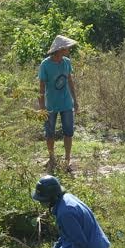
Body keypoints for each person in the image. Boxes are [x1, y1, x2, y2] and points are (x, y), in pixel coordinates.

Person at [38, 35, 79, 172]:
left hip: (66, 103)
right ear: (60, 49)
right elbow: (42, 87)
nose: (68, 50)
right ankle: (52, 158)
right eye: (66, 48)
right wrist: (42, 106)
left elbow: (70, 81)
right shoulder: (46, 64)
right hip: (51, 104)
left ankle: (67, 159)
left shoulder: (66, 62)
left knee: (68, 132)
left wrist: (75, 100)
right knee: (50, 133)